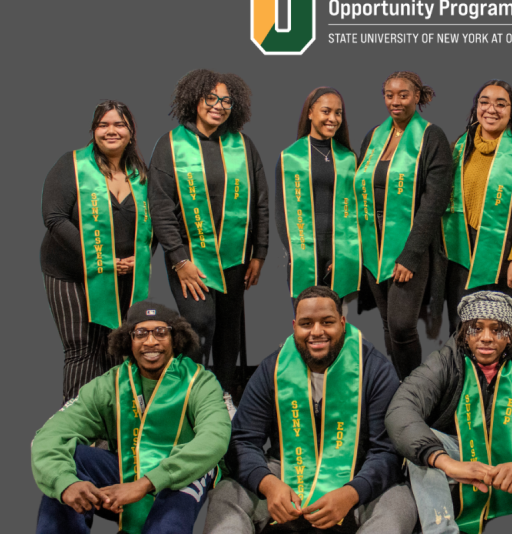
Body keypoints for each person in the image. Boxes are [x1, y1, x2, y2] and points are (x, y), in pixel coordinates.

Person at [203, 286, 417, 534]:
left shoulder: (375, 369)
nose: (317, 332)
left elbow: (387, 450)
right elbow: (243, 440)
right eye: (307, 324)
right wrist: (268, 484)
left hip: (357, 474)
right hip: (285, 473)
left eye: (327, 322)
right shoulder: (273, 368)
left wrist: (351, 492)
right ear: (294, 326)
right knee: (227, 495)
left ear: (343, 323)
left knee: (399, 503)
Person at [386, 291, 512, 534]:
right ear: (464, 332)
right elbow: (401, 409)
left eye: (497, 329)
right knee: (423, 445)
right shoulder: (446, 360)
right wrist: (446, 463)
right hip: (460, 454)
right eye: (476, 328)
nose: (486, 338)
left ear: (509, 335)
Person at [32, 301, 231, 534]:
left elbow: (215, 439)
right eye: (140, 334)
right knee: (68, 462)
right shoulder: (111, 384)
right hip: (127, 467)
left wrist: (145, 484)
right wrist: (64, 483)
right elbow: (51, 434)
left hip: (181, 474)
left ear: (175, 338)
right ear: (129, 340)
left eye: (160, 332)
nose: (150, 342)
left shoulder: (200, 381)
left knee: (167, 528)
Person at [149, 69, 269, 410]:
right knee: (200, 322)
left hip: (234, 254)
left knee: (230, 327)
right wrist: (179, 259)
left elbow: (260, 200)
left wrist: (259, 252)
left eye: (226, 101)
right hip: (189, 257)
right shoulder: (170, 145)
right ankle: (192, 395)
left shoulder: (243, 145)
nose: (219, 106)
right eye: (211, 98)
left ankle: (225, 394)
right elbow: (160, 207)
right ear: (195, 99)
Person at [41, 100, 154, 403]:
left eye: (119, 124)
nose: (111, 131)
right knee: (82, 348)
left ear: (131, 132)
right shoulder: (72, 165)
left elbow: (158, 223)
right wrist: (99, 260)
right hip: (71, 273)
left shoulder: (142, 174)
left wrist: (142, 257)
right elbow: (53, 217)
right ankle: (74, 428)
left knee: (117, 348)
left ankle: (113, 424)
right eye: (103, 125)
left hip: (122, 276)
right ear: (93, 131)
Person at [355, 71, 453, 379]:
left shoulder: (431, 137)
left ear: (417, 97)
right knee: (387, 323)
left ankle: (414, 388)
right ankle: (398, 387)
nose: (395, 101)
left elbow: (434, 201)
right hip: (373, 238)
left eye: (403, 95)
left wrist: (410, 255)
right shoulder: (374, 137)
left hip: (409, 240)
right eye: (389, 95)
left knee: (401, 324)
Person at [442, 80, 512, 334]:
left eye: (501, 104)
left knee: (496, 329)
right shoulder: (461, 146)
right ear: (476, 107)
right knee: (462, 326)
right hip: (462, 251)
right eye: (484, 102)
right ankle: (461, 374)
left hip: (503, 253)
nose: (491, 109)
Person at [276, 87, 362, 299]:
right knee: (307, 318)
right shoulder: (290, 158)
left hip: (340, 253)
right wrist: (298, 252)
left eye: (338, 113)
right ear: (310, 113)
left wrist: (343, 254)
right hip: (303, 251)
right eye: (326, 111)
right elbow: (281, 215)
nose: (333, 118)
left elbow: (356, 210)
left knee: (335, 320)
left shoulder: (349, 158)